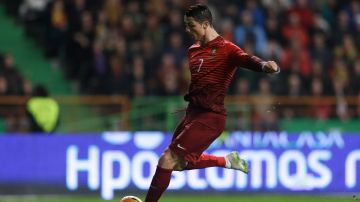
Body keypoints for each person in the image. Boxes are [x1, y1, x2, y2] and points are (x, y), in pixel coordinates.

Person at [145, 4, 280, 202]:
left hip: (211, 117)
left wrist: (264, 66)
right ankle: (227, 161)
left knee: (167, 158)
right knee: (178, 164)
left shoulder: (227, 49)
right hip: (192, 114)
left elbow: (247, 59)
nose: (187, 30)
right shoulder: (193, 50)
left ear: (206, 24)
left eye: (191, 25)